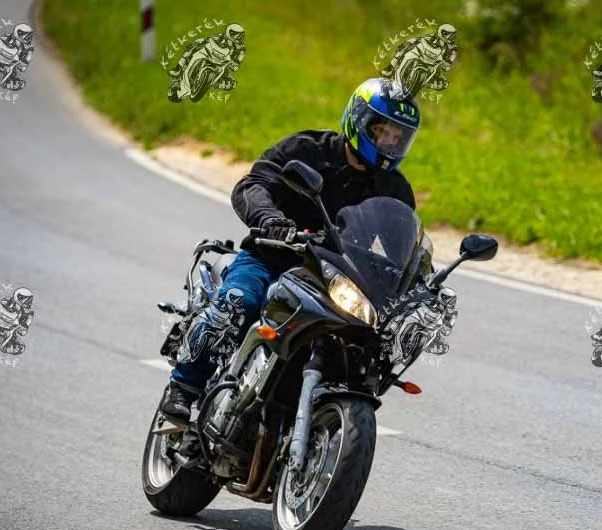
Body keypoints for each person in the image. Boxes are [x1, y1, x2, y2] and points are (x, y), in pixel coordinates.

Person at [161, 77, 422, 422]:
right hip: (271, 258)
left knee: (368, 344)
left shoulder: (394, 188)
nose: (390, 142)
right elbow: (254, 184)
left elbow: (401, 247)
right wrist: (270, 218)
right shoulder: (307, 150)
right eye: (382, 131)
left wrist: (418, 279)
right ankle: (183, 387)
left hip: (332, 281)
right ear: (358, 119)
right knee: (239, 302)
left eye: (398, 136)